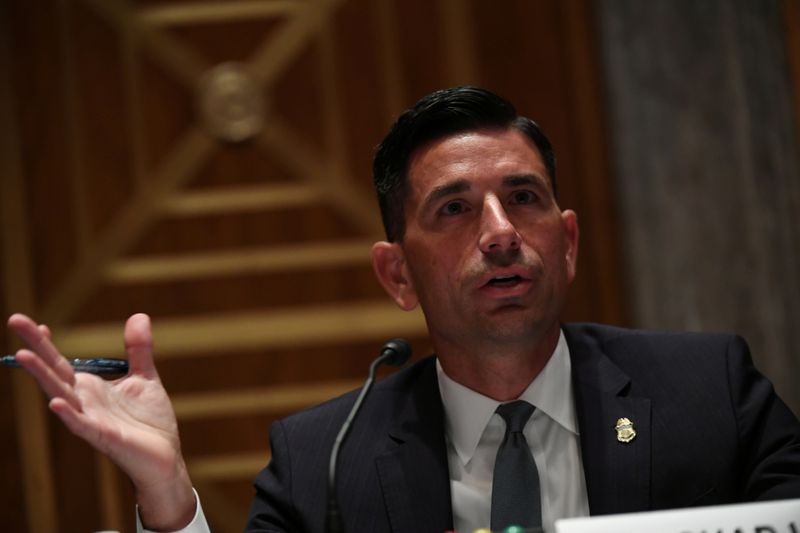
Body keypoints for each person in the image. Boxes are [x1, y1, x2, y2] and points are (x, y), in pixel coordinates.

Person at [8, 87, 800, 533]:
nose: (498, 233)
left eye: (522, 198)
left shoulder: (710, 393)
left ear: (566, 241)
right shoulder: (325, 459)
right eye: (454, 209)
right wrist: (169, 494)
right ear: (396, 275)